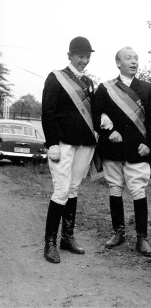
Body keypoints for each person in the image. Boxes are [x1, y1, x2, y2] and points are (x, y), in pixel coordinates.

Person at [92, 46, 151, 257]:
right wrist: (108, 132)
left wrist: (148, 144)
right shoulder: (105, 89)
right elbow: (96, 117)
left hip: (138, 151)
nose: (134, 61)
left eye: (136, 58)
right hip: (113, 149)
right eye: (129, 58)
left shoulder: (148, 89)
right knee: (115, 188)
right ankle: (118, 232)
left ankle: (142, 238)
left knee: (138, 191)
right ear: (118, 63)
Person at [42, 36, 96, 264]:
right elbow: (48, 111)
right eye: (80, 56)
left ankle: (67, 237)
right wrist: (52, 142)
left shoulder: (89, 83)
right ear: (70, 55)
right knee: (61, 190)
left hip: (83, 143)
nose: (84, 61)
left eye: (87, 56)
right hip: (62, 143)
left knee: (73, 189)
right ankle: (50, 243)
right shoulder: (56, 78)